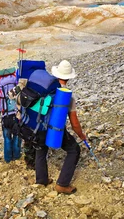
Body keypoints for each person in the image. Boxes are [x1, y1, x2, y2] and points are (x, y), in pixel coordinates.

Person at [35, 60, 86, 194]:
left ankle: (41, 180)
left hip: (38, 126)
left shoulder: (43, 89)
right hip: (54, 128)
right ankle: (62, 184)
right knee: (74, 149)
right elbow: (74, 123)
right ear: (68, 78)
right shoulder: (68, 97)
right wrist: (81, 135)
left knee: (41, 149)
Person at [0, 70, 22, 163]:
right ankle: (16, 157)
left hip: (6, 118)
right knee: (17, 137)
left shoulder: (0, 95)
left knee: (7, 139)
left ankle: (8, 159)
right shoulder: (16, 91)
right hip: (16, 118)